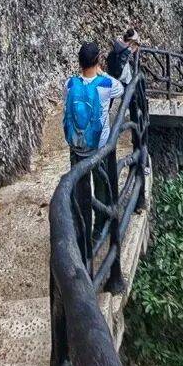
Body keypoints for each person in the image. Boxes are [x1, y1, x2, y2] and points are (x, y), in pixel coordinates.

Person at [63, 42, 124, 261]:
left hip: (76, 147)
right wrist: (100, 71)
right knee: (101, 186)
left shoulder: (70, 83)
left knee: (79, 189)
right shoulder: (106, 84)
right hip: (98, 148)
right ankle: (99, 228)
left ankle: (80, 232)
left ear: (79, 62)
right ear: (98, 61)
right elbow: (122, 88)